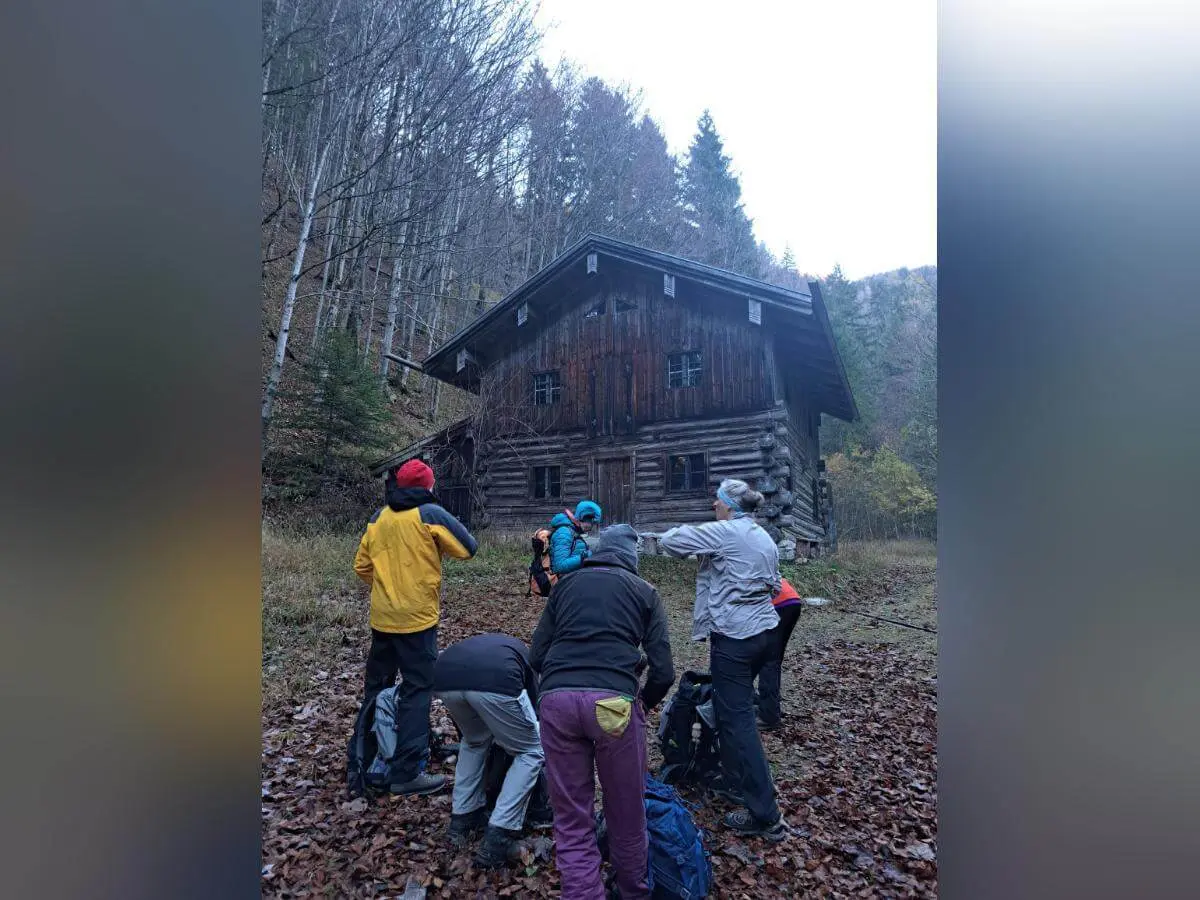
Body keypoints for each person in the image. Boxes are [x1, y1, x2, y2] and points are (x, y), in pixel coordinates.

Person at [531, 524, 675, 900]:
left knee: (572, 818)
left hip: (557, 703)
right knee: (627, 814)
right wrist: (643, 703)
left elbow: (536, 656)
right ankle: (633, 892)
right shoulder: (644, 591)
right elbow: (664, 671)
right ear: (633, 557)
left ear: (596, 550)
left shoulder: (566, 586)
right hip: (615, 706)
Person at [657, 478, 788, 841]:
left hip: (735, 637)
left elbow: (671, 542)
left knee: (738, 722)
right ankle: (734, 781)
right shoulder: (763, 536)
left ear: (729, 505)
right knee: (733, 709)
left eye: (716, 501)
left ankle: (766, 815)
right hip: (764, 633)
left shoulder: (726, 532)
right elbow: (776, 585)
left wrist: (700, 536)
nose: (713, 506)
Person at [353, 458, 477, 796]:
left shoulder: (378, 518)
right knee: (416, 690)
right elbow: (469, 548)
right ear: (428, 486)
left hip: (382, 618)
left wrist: (388, 585)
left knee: (376, 688)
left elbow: (362, 566)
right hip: (417, 620)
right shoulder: (430, 514)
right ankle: (407, 772)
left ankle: (364, 760)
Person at [434, 633, 546, 869]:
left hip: (443, 677)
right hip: (496, 680)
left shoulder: (501, 647)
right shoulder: (528, 662)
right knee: (531, 751)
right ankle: (500, 834)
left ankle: (463, 819)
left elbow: (470, 732)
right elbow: (533, 713)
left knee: (474, 742)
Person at [754, 577, 803, 731]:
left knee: (768, 661)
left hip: (778, 605)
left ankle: (769, 717)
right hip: (792, 600)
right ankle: (769, 703)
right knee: (773, 659)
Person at [548, 500, 602, 576]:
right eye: (591, 522)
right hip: (563, 583)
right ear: (583, 517)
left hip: (574, 578)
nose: (591, 527)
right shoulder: (564, 532)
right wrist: (586, 556)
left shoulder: (575, 531)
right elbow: (559, 566)